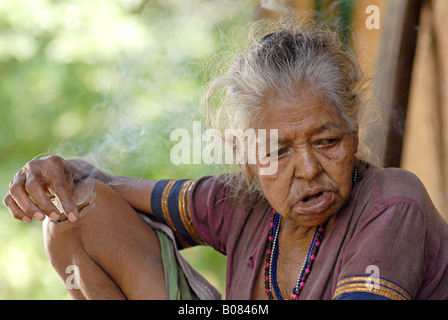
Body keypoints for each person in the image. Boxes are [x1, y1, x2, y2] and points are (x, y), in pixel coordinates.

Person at [3, 21, 448, 300]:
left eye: (327, 141)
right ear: (248, 160)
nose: (309, 169)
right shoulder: (239, 202)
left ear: (353, 136)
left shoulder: (393, 205)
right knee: (75, 215)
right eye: (277, 151)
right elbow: (107, 188)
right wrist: (58, 174)